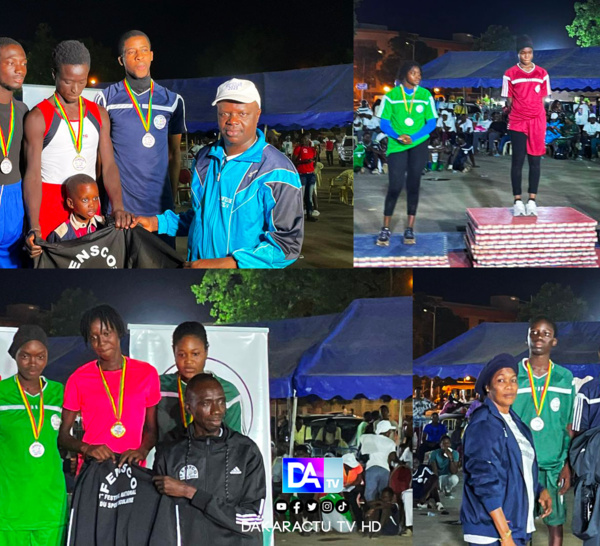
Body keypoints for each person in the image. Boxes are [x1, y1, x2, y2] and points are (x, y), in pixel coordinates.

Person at [135, 78, 304, 269]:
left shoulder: (278, 172)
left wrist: (226, 264)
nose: (232, 120)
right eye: (225, 113)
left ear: (257, 115)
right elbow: (200, 217)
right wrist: (156, 223)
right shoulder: (204, 159)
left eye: (242, 113)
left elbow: (287, 245)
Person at [23, 40, 132, 254]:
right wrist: (34, 225)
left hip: (89, 208)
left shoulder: (99, 114)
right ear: (54, 74)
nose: (75, 89)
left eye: (82, 82)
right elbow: (33, 174)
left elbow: (109, 165)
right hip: (51, 209)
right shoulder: (38, 117)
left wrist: (118, 206)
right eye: (67, 81)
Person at [151, 373, 266, 545]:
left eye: (221, 401)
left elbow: (253, 518)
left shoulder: (246, 451)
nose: (217, 410)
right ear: (189, 408)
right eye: (206, 403)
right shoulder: (170, 453)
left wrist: (191, 493)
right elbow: (160, 518)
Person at [95, 30, 185, 247]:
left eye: (144, 50)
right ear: (121, 60)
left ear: (152, 55)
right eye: (131, 52)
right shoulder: (106, 98)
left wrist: (169, 202)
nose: (139, 56)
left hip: (159, 214)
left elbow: (174, 155)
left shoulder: (172, 101)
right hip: (119, 212)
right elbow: (100, 159)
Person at [461, 353, 552, 546]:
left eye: (513, 380)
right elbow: (483, 479)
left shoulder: (514, 422)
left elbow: (517, 469)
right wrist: (505, 535)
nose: (509, 386)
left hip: (514, 526)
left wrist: (539, 490)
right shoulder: (485, 422)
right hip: (492, 533)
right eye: (501, 380)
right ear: (488, 387)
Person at [58, 304, 161, 471]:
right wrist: (87, 448)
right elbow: (63, 436)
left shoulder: (147, 374)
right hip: (93, 470)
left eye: (106, 334)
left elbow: (152, 430)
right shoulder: (78, 378)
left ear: (119, 332)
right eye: (93, 338)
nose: (101, 342)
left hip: (132, 469)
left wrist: (142, 451)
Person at [0, 325, 67, 544]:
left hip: (50, 504)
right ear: (15, 356)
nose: (32, 363)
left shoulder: (58, 393)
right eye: (25, 356)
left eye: (40, 356)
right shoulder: (2, 393)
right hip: (10, 505)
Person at [511, 316, 574, 546]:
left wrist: (567, 464)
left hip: (553, 464)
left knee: (555, 525)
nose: (539, 336)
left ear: (554, 341)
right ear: (527, 336)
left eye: (546, 333)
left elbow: (568, 425)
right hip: (520, 464)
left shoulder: (564, 378)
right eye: (534, 332)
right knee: (518, 525)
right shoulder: (512, 375)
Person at [376, 61, 437, 247]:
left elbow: (432, 122)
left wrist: (414, 136)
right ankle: (385, 228)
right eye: (413, 73)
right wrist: (397, 135)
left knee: (413, 184)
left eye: (419, 73)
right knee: (394, 186)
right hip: (397, 145)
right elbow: (384, 123)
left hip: (418, 144)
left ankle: (410, 228)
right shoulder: (391, 96)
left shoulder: (426, 95)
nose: (418, 76)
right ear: (405, 75)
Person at [157, 321, 243, 445]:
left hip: (214, 463)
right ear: (173, 351)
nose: (189, 361)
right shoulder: (159, 387)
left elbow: (236, 442)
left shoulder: (228, 392)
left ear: (206, 351)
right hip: (168, 463)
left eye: (195, 354)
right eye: (182, 355)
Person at [501, 35, 551, 216]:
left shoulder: (542, 74)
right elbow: (509, 98)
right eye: (523, 53)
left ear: (533, 54)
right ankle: (517, 201)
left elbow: (543, 98)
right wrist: (521, 110)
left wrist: (534, 111)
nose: (526, 56)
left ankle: (532, 200)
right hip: (518, 120)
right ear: (518, 54)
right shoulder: (510, 74)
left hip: (537, 121)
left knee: (535, 161)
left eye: (529, 53)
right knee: (518, 161)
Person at [0, 38, 28, 268]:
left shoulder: (23, 110)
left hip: (15, 197)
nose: (20, 69)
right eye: (11, 62)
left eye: (23, 63)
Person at [46, 174, 104, 243]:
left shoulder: (103, 224)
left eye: (95, 198)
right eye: (85, 200)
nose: (92, 205)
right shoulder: (61, 235)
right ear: (71, 203)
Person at [359, 420, 399, 502]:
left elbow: (363, 454)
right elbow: (392, 457)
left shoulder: (369, 438)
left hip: (371, 468)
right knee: (383, 494)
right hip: (384, 469)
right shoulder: (390, 442)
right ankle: (381, 510)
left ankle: (371, 511)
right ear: (387, 432)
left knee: (370, 494)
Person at [293, 135, 318, 222]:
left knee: (309, 196)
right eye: (304, 138)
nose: (305, 140)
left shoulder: (312, 149)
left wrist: (317, 152)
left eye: (307, 138)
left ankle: (309, 214)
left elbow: (315, 161)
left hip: (310, 174)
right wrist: (304, 162)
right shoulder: (298, 148)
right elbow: (294, 161)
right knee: (301, 196)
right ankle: (298, 216)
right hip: (302, 174)